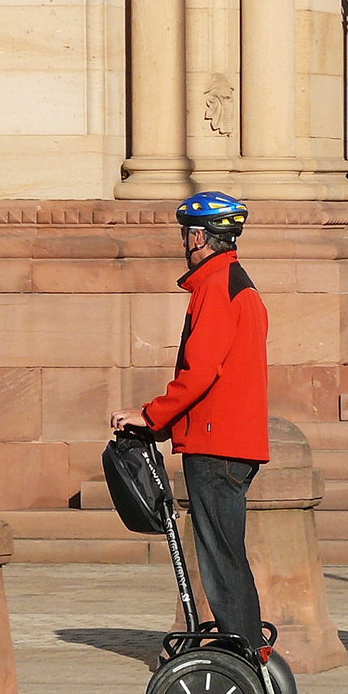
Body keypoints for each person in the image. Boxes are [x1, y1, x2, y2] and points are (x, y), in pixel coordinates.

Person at [111, 191, 270, 652]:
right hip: (228, 443)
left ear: (199, 236)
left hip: (217, 447)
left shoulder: (219, 287)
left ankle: (241, 653)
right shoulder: (235, 283)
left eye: (187, 233)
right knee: (225, 555)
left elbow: (199, 372)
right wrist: (159, 426)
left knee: (221, 559)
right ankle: (244, 650)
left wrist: (149, 415)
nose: (185, 241)